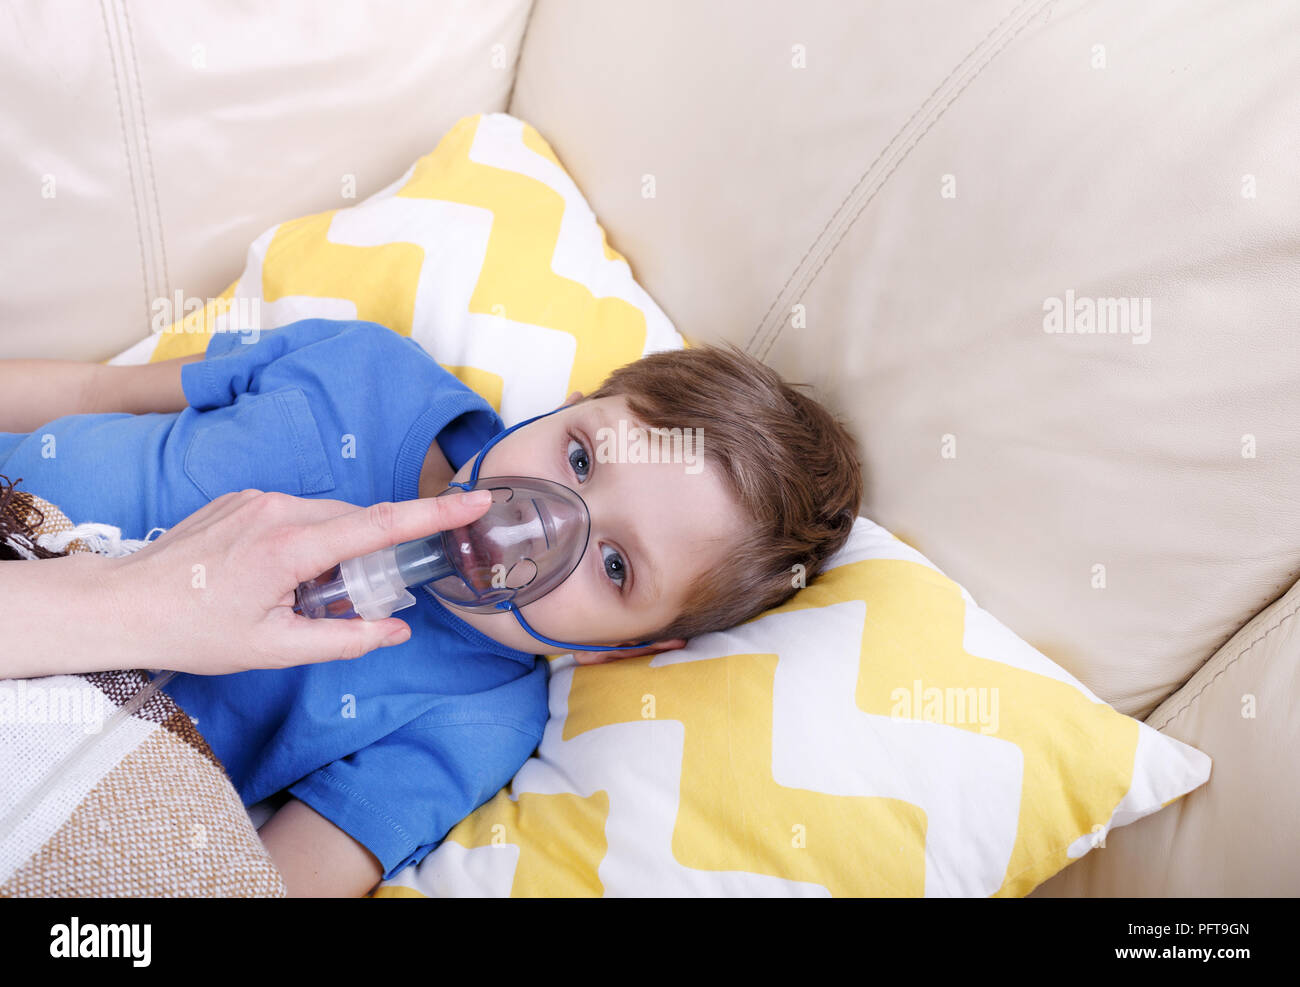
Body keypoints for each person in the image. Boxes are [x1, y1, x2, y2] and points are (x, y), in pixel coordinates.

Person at [0, 319, 862, 896]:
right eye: (582, 457)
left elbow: (257, 882)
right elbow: (89, 390)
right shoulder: (363, 371)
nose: (537, 521)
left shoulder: (475, 718)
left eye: (612, 564)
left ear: (626, 648)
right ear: (570, 403)